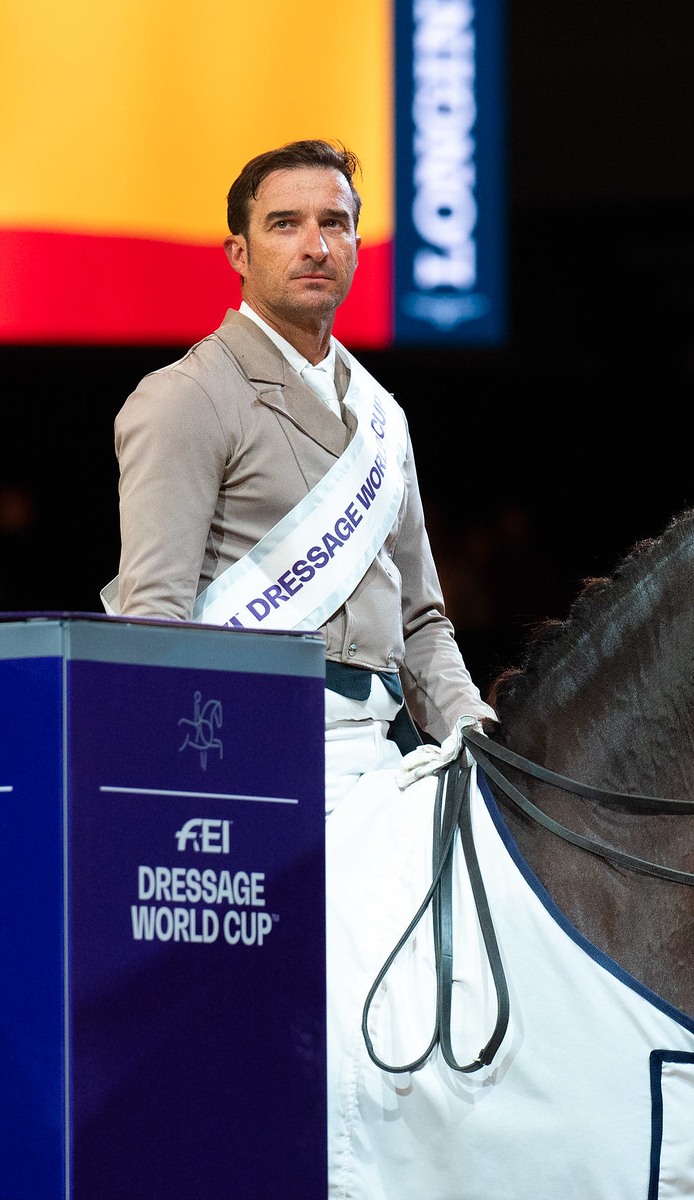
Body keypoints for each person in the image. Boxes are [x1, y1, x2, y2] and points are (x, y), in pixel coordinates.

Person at [108, 140, 490, 813]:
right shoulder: (186, 397)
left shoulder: (383, 415)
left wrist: (470, 725)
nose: (314, 245)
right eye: (286, 223)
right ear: (239, 253)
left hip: (386, 757)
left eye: (333, 223)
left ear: (356, 245)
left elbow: (422, 619)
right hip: (249, 752)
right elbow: (152, 624)